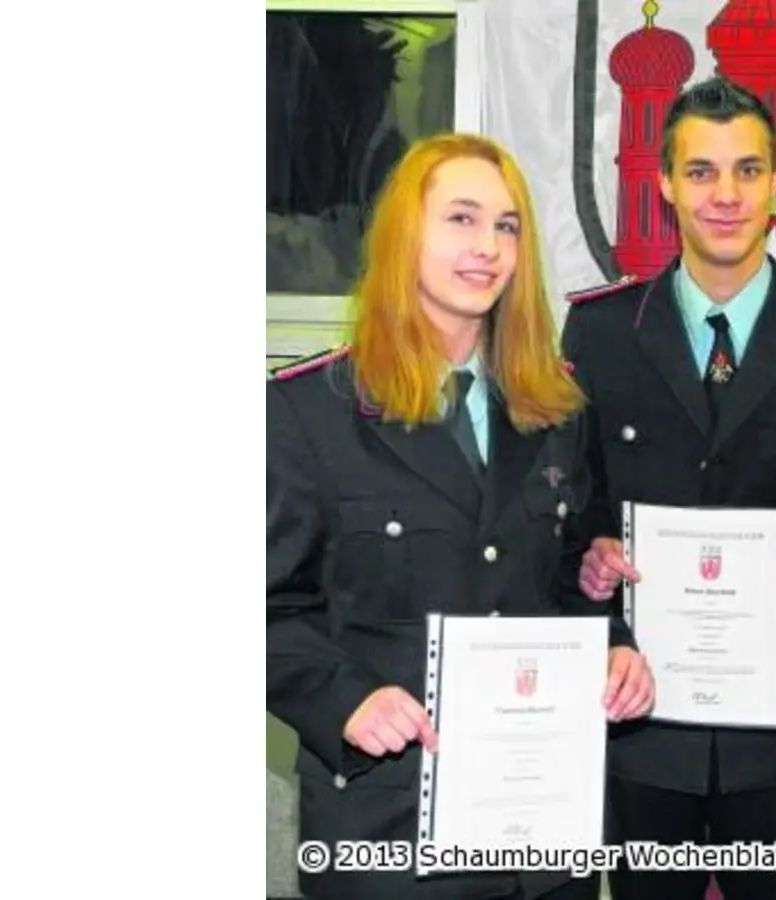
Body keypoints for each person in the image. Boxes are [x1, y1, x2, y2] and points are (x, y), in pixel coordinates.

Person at [267, 133, 654, 900]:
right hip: (389, 832)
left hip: (540, 836)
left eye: (506, 226)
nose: (487, 247)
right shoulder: (304, 411)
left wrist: (615, 649)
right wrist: (346, 699)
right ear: (405, 234)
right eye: (462, 219)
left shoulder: (557, 408)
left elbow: (577, 576)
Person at [559, 76, 776, 900]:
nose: (725, 195)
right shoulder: (600, 330)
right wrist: (588, 555)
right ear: (666, 184)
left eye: (748, 170)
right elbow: (567, 503)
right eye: (702, 172)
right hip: (641, 720)